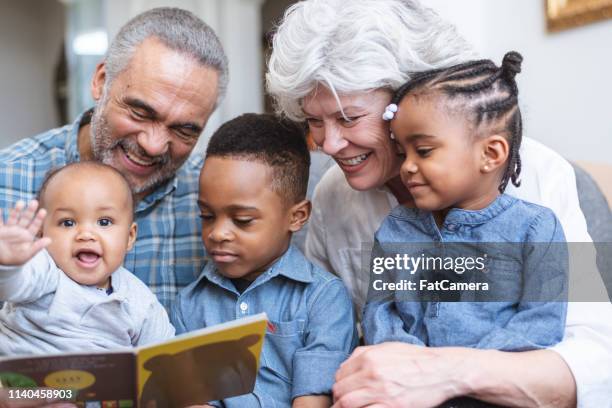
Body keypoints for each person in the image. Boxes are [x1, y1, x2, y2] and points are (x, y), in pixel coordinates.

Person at [266, 0, 612, 406]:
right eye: (314, 121)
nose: (329, 143)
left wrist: (442, 373)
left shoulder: (535, 173)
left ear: (414, 97)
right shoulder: (331, 196)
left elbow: (597, 356)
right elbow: (329, 332)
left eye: (348, 117)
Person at [0, 7, 228, 310]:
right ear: (100, 81)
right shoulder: (7, 181)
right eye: (140, 112)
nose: (154, 145)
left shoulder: (216, 199)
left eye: (184, 130)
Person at [363, 52, 568, 352]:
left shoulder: (536, 229)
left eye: (423, 150)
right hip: (405, 380)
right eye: (401, 153)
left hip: (493, 385)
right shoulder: (395, 229)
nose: (406, 166)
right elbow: (379, 313)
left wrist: (464, 369)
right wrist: (412, 361)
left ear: (490, 154)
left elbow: (542, 322)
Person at [172, 114, 357, 408]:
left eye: (242, 220)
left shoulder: (323, 299)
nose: (218, 233)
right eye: (207, 216)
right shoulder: (189, 305)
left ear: (297, 217)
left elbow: (313, 400)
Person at [0, 162, 174, 355]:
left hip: (97, 383)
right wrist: (9, 264)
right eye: (67, 223)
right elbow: (11, 286)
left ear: (129, 237)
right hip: (20, 380)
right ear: (42, 234)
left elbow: (165, 354)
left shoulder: (139, 300)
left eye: (104, 222)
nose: (86, 234)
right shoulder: (45, 269)